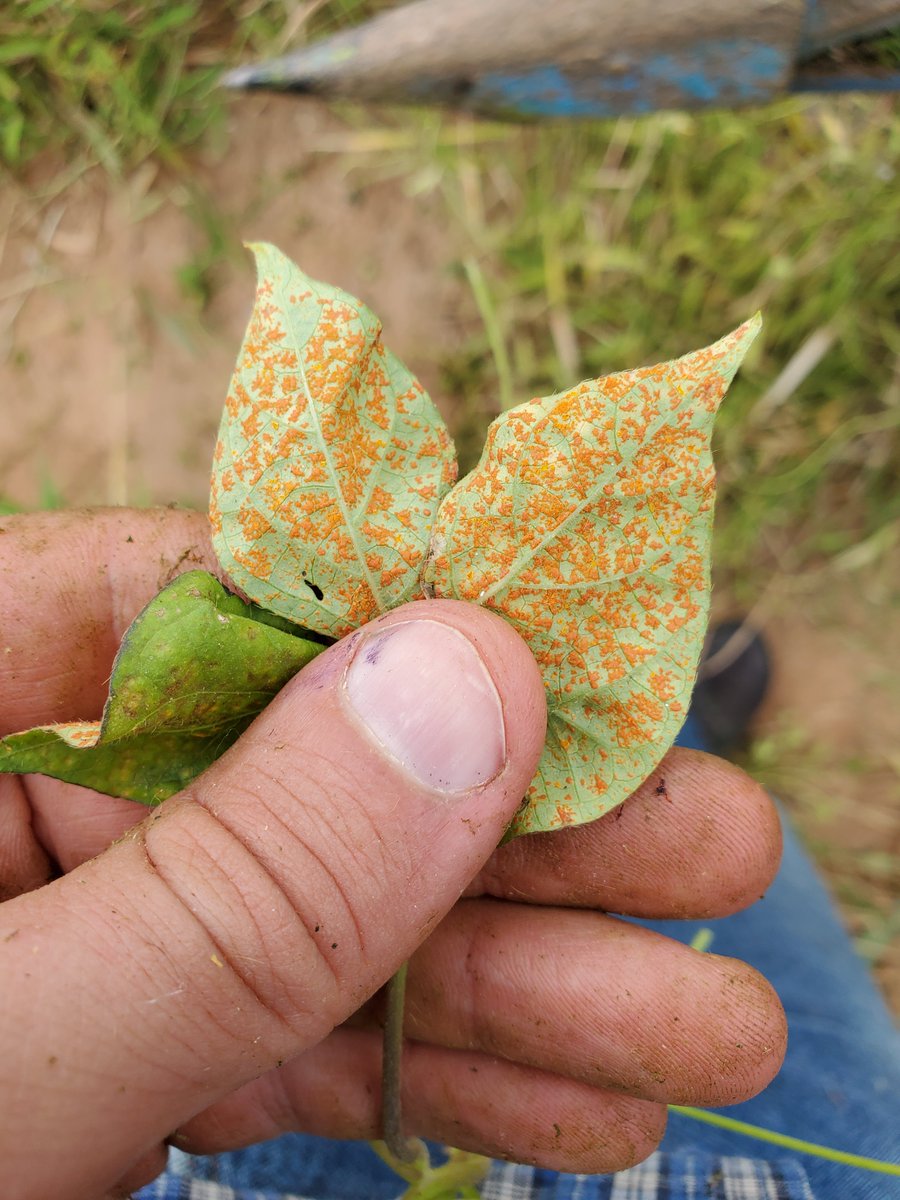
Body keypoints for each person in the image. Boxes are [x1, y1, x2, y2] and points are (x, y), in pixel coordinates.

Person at [0, 508, 895, 1200]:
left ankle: (682, 710)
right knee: (844, 1111)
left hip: (180, 1139)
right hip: (211, 1127)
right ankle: (688, 711)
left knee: (650, 811)